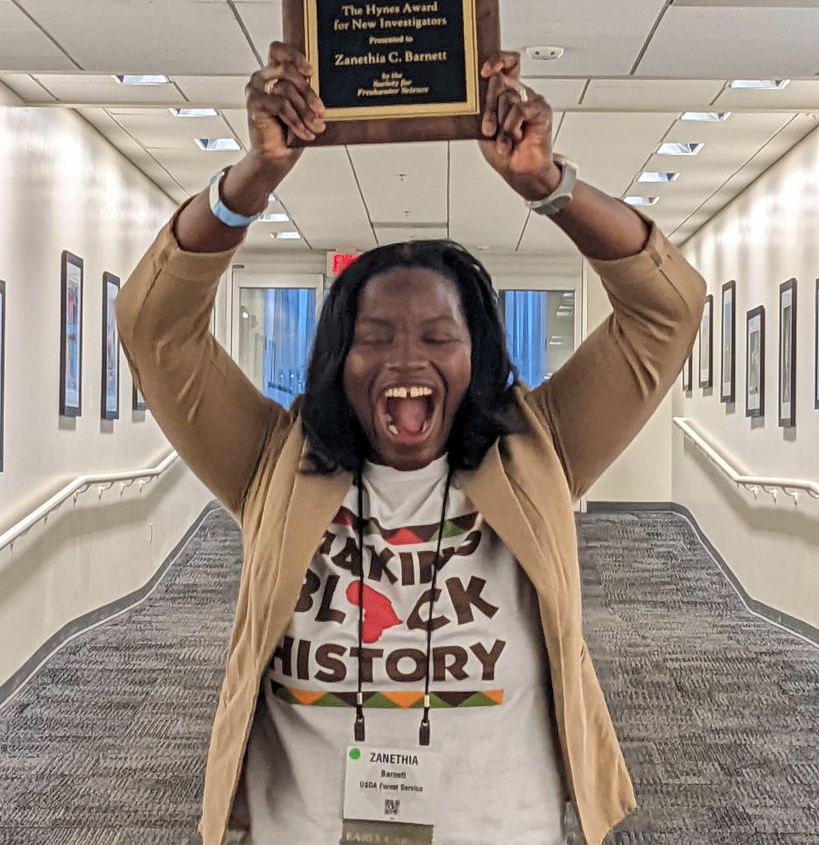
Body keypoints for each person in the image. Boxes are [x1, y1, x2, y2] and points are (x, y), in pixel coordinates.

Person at [115, 44, 706, 845]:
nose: (403, 360)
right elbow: (156, 330)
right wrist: (252, 175)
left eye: (437, 336)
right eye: (374, 336)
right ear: (337, 356)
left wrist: (549, 186)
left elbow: (666, 312)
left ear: (478, 356)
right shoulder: (270, 462)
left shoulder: (540, 451)